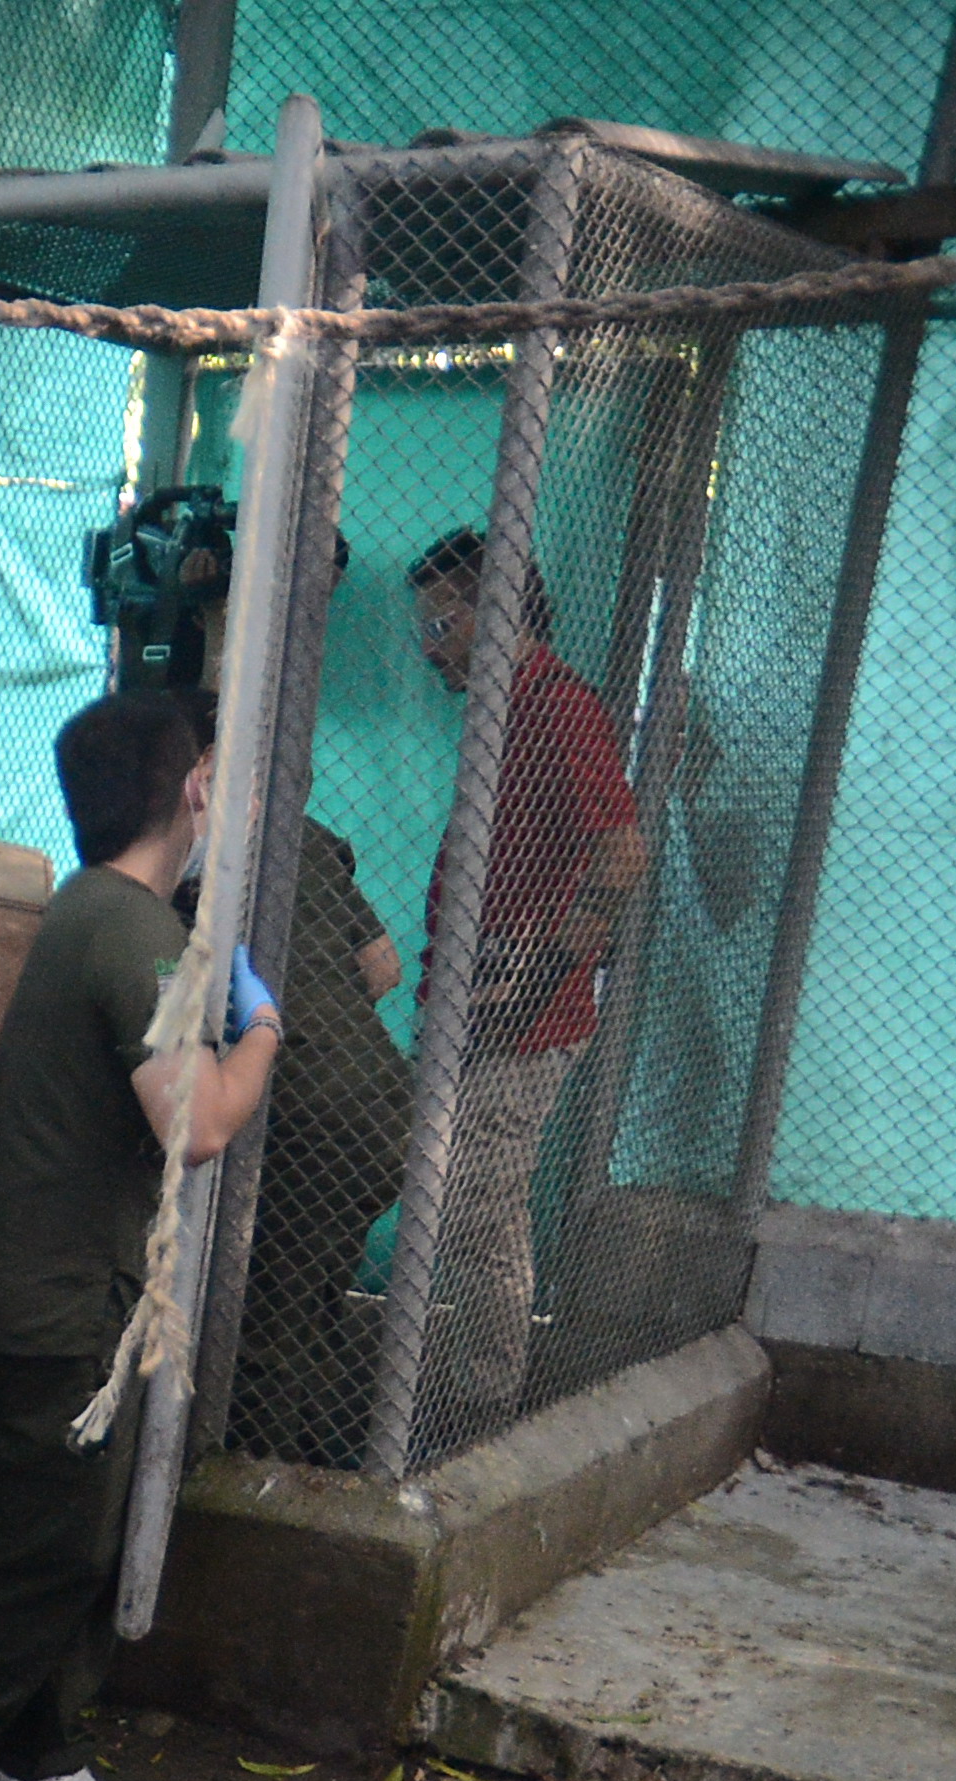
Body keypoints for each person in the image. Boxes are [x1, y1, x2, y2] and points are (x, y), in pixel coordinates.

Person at [0, 690, 280, 1781]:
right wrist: (262, 1035)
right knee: (43, 1539)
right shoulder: (126, 928)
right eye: (222, 771)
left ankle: (31, 1754)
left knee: (76, 1531)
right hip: (57, 1299)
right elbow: (194, 1123)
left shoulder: (108, 915)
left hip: (78, 1289)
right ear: (195, 785)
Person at [403, 528, 642, 1452]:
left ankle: (465, 1396)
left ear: (486, 615)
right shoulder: (505, 709)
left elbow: (620, 850)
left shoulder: (556, 704)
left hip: (522, 1006)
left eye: (438, 622)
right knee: (485, 1212)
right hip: (480, 985)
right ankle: (478, 1396)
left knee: (464, 1202)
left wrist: (542, 976)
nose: (428, 645)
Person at [164, 684, 409, 1473]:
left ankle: (256, 1480)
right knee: (311, 1300)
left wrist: (277, 1029)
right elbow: (383, 966)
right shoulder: (305, 836)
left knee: (270, 1312)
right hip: (380, 1099)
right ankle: (306, 1457)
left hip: (309, 1111)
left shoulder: (191, 856)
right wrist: (320, 1006)